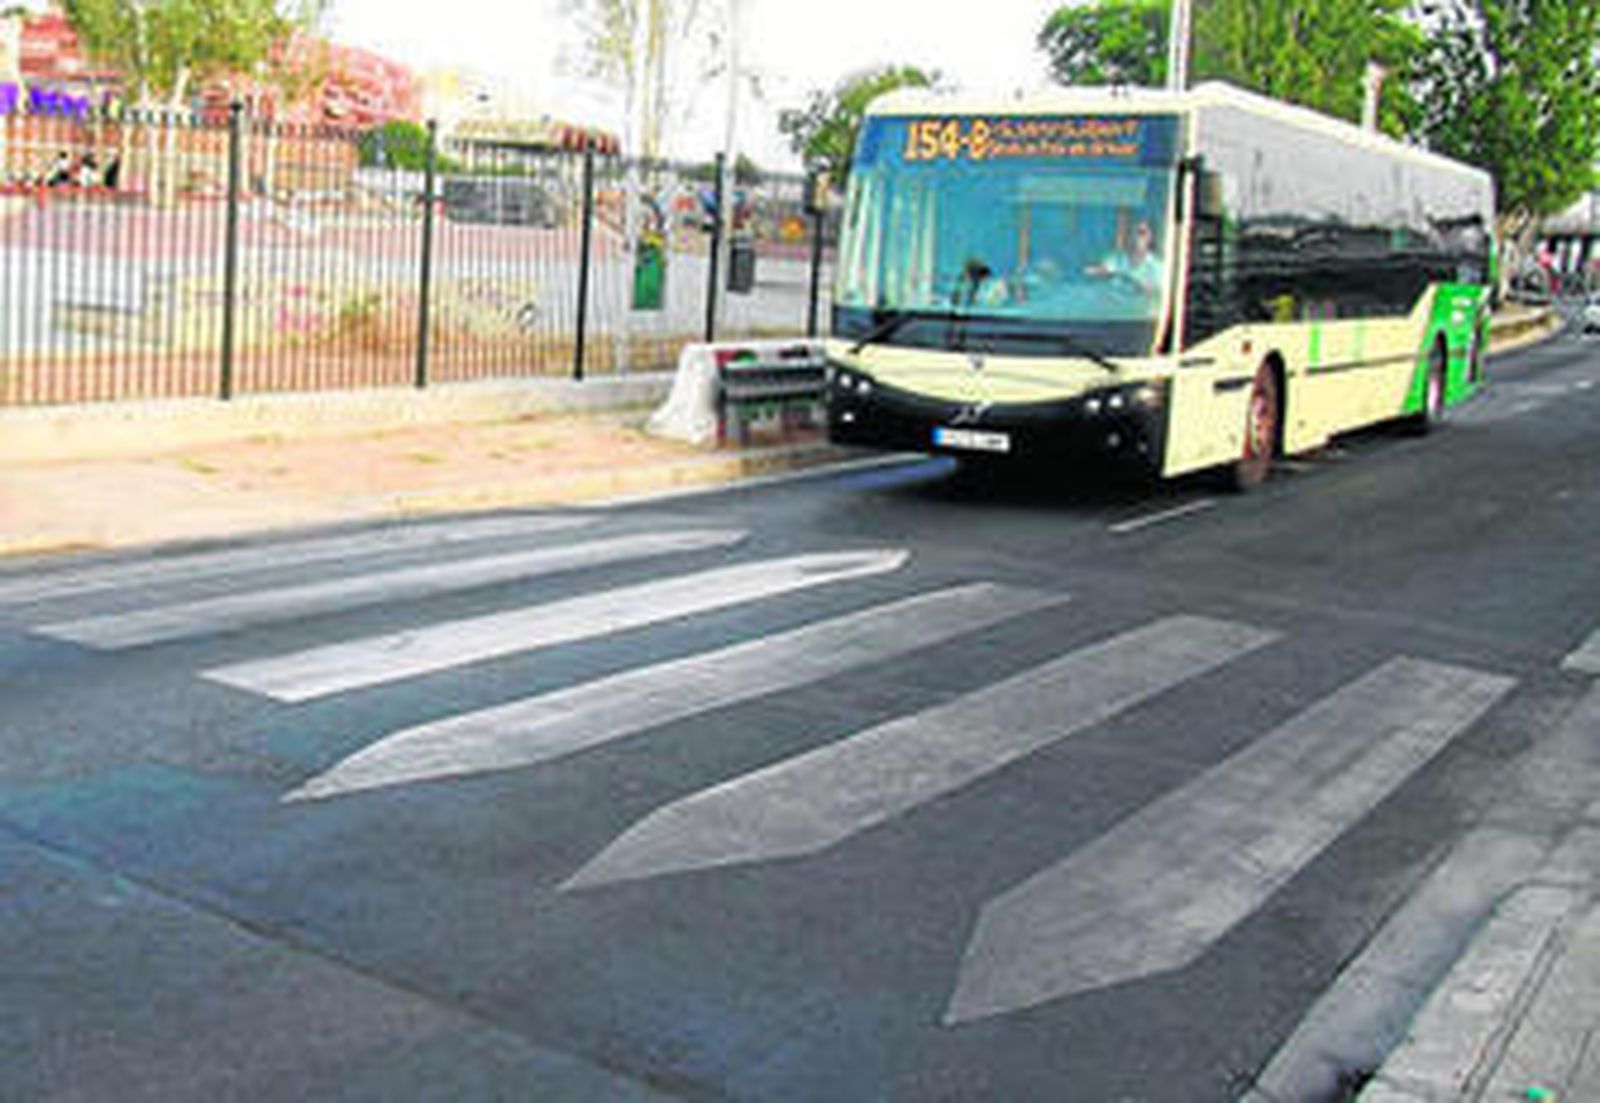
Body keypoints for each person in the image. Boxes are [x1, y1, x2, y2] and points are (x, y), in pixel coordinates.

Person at [1086, 217, 1164, 298]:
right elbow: (1100, 271)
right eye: (1133, 232)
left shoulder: (1157, 268)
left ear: (1150, 237)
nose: (1136, 237)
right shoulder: (1117, 259)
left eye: (1141, 233)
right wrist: (1093, 272)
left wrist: (1145, 289)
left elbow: (1156, 298)